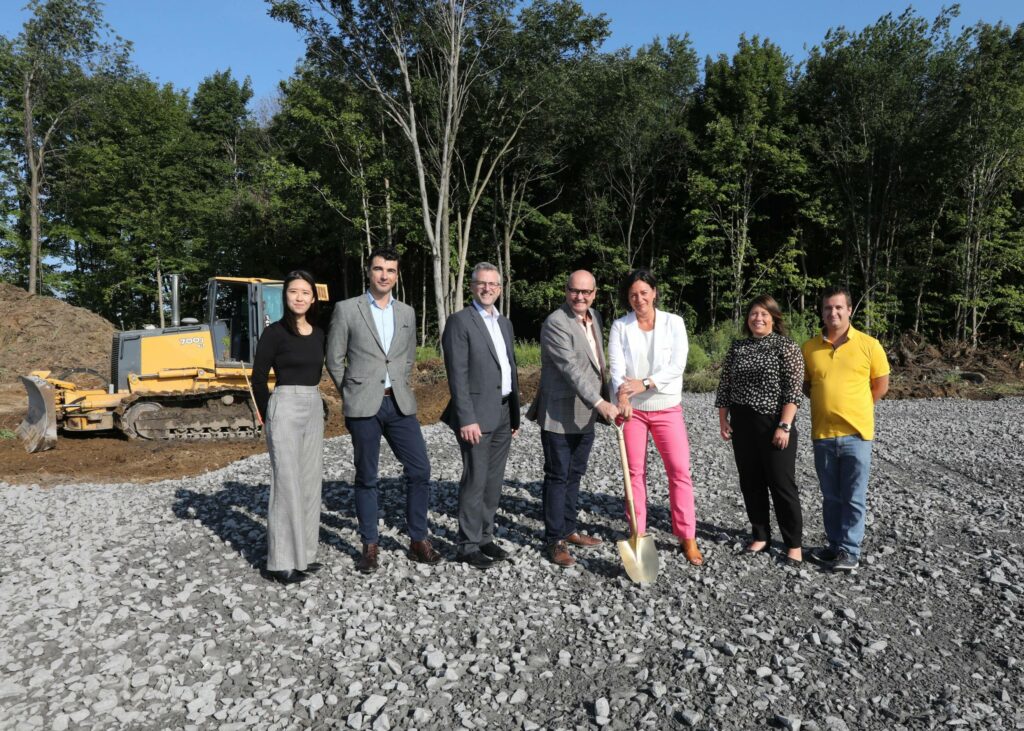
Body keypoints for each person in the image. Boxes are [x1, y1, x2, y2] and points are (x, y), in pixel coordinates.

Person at [326, 247, 442, 574]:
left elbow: (406, 356)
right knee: (367, 476)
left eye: (390, 270)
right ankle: (370, 544)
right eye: (378, 269)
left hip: (399, 402)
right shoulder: (347, 309)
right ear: (369, 270)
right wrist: (350, 392)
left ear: (397, 274)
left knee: (420, 469)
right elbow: (334, 359)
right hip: (363, 405)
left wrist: (402, 381)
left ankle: (418, 539)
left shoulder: (406, 312)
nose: (384, 275)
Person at [608, 269, 703, 566]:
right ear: (628, 297)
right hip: (632, 411)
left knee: (679, 471)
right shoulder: (620, 326)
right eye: (633, 294)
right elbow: (615, 367)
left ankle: (687, 536)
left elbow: (678, 365)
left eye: (644, 292)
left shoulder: (674, 323)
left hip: (666, 406)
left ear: (654, 292)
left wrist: (645, 383)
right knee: (634, 473)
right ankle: (638, 531)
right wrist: (622, 396)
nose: (639, 299)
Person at [527, 270, 619, 567]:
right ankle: (554, 540)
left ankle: (569, 528)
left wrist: (612, 398)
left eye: (586, 292)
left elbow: (597, 365)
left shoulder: (595, 317)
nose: (580, 297)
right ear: (565, 291)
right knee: (557, 476)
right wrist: (601, 402)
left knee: (575, 474)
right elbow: (571, 369)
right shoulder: (555, 323)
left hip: (586, 415)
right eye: (574, 291)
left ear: (595, 293)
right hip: (559, 414)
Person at [802, 285, 890, 571]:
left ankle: (850, 551)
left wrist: (858, 407)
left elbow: (880, 385)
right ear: (822, 311)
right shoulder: (810, 348)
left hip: (857, 435)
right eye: (828, 307)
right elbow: (806, 386)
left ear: (850, 310)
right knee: (830, 496)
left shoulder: (869, 344)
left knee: (853, 496)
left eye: (839, 307)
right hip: (823, 435)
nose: (833, 312)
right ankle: (834, 546)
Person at [441, 262, 520, 570]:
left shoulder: (505, 323)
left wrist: (513, 415)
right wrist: (466, 418)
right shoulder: (460, 321)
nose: (487, 288)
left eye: (493, 284)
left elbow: (509, 368)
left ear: (500, 289)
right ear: (472, 286)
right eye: (481, 283)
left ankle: (485, 536)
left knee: (493, 480)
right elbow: (457, 375)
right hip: (476, 414)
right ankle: (467, 544)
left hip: (502, 411)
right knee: (475, 479)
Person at [715, 295, 805, 565]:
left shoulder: (786, 346)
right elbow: (725, 386)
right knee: (751, 483)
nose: (758, 318)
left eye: (764, 314)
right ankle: (760, 535)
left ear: (774, 318)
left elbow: (794, 389)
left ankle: (794, 546)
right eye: (754, 314)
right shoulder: (738, 347)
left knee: (781, 485)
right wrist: (723, 419)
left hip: (774, 424)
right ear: (748, 318)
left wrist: (785, 425)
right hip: (742, 424)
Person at [251, 270, 326, 585]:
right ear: (285, 296)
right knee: (286, 482)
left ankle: (305, 555)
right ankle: (280, 561)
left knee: (309, 482)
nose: (299, 297)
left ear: (313, 297)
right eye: (293, 291)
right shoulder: (274, 333)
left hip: (313, 405)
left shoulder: (320, 333)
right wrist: (270, 416)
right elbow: (257, 379)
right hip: (284, 404)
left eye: (305, 292)